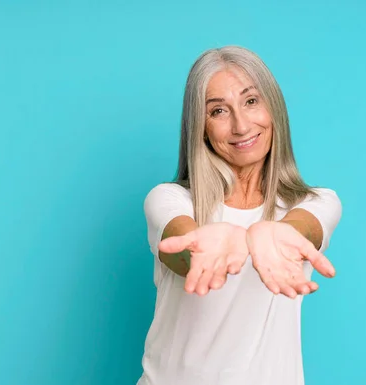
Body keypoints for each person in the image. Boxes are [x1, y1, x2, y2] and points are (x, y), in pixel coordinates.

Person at [136, 46, 342, 385]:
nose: (241, 125)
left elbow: (303, 228)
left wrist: (273, 234)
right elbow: (183, 247)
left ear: (273, 108)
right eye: (218, 110)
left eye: (251, 101)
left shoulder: (318, 202)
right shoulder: (170, 199)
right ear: (200, 128)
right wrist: (206, 249)